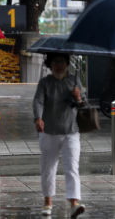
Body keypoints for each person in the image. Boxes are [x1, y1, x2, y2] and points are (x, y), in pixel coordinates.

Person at [33, 53, 86, 217]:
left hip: (71, 131)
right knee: (48, 169)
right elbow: (38, 101)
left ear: (67, 63)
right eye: (55, 62)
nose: (59, 65)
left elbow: (83, 103)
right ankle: (47, 202)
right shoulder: (45, 83)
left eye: (62, 62)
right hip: (49, 132)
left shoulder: (74, 81)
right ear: (50, 64)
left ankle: (74, 203)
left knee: (72, 168)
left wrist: (78, 97)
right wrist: (38, 118)